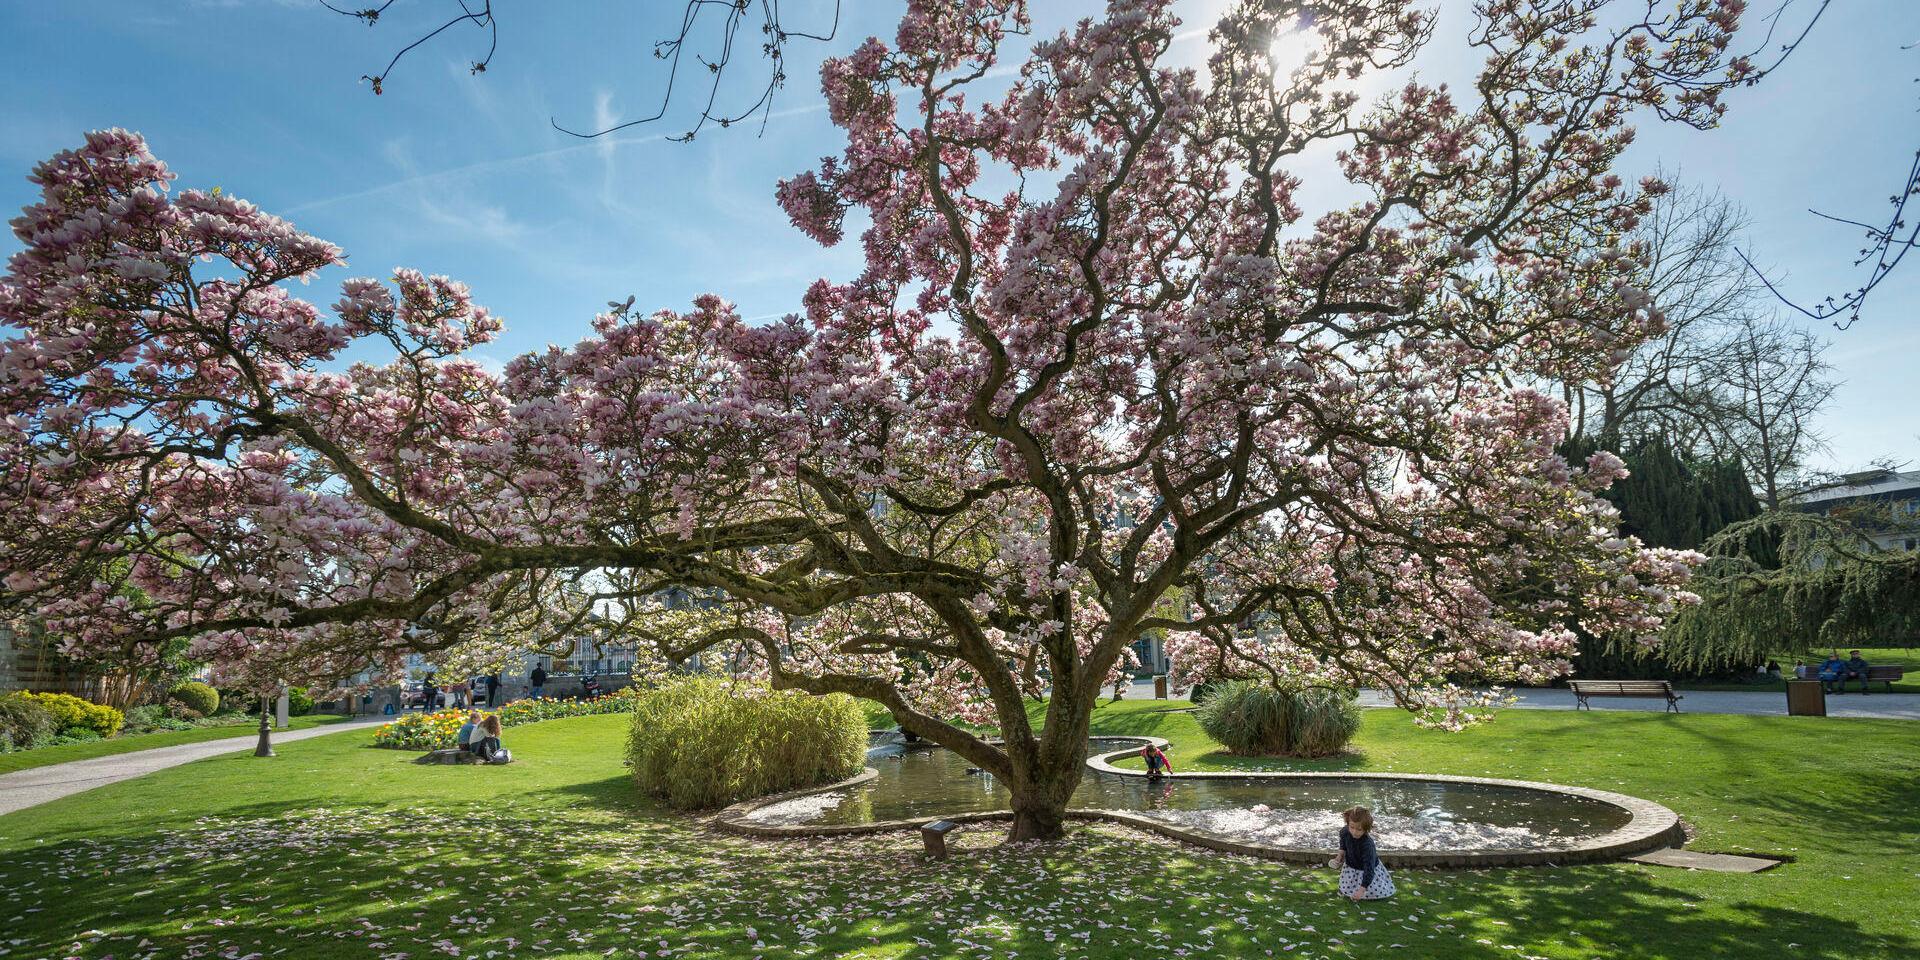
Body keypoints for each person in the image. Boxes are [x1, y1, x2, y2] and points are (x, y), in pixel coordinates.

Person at [1335, 806, 1395, 900]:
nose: (1354, 832)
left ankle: (1364, 890)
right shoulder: (1345, 832)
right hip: (1351, 866)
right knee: (1347, 889)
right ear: (1348, 824)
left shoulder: (1367, 845)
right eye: (1352, 827)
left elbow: (1369, 868)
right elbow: (1343, 843)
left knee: (1371, 892)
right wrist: (1340, 855)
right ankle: (1353, 889)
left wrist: (1361, 891)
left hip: (1366, 870)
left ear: (1366, 829)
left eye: (1359, 829)